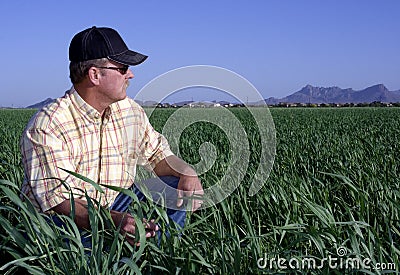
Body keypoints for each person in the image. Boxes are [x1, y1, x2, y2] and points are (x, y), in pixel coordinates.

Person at [20, 26, 204, 246]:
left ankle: (161, 251)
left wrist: (188, 173)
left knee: (175, 185)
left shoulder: (130, 111)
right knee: (81, 251)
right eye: (123, 68)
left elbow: (158, 155)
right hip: (64, 221)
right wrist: (112, 221)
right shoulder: (48, 125)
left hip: (115, 204)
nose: (131, 75)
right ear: (95, 75)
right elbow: (59, 202)